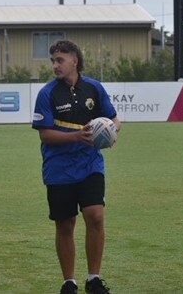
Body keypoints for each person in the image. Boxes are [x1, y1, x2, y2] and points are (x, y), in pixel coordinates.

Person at [32, 39, 120, 294]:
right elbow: (45, 135)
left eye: (60, 60)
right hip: (59, 169)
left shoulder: (94, 88)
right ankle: (69, 281)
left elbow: (113, 118)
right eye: (53, 61)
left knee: (96, 216)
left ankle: (94, 278)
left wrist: (112, 132)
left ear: (75, 61)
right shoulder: (48, 93)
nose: (55, 65)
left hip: (90, 165)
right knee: (65, 224)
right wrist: (76, 137)